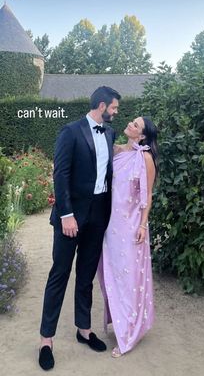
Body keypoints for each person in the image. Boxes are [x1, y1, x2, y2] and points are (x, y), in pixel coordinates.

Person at [38, 86, 121, 371]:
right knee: (59, 274)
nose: (115, 113)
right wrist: (67, 215)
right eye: (114, 108)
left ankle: (83, 329)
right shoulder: (70, 131)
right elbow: (60, 174)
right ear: (101, 105)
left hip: (98, 215)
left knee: (85, 274)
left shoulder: (110, 134)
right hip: (70, 217)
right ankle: (46, 340)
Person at [98, 116, 158, 357]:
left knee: (130, 279)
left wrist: (143, 225)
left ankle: (129, 333)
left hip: (133, 227)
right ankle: (120, 322)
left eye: (136, 125)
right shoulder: (117, 151)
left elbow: (149, 194)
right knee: (113, 276)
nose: (131, 125)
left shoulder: (145, 158)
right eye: (133, 122)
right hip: (111, 226)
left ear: (142, 136)